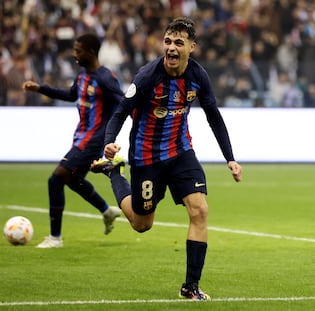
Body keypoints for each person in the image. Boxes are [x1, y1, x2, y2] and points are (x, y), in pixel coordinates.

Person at [91, 17, 242, 300]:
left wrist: (230, 158)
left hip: (181, 152)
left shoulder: (198, 77)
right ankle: (114, 173)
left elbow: (214, 118)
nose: (171, 48)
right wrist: (108, 144)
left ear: (192, 47)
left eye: (178, 43)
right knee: (141, 223)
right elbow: (120, 113)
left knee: (200, 210)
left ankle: (190, 287)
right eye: (168, 41)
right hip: (146, 158)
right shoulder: (147, 77)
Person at [23, 33, 124, 248]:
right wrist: (40, 88)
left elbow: (123, 104)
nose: (74, 54)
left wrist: (116, 135)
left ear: (90, 52)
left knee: (56, 178)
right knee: (72, 179)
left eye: (78, 50)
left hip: (94, 140)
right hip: (81, 136)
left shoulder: (106, 78)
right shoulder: (82, 76)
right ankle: (107, 211)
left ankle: (55, 238)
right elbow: (70, 95)